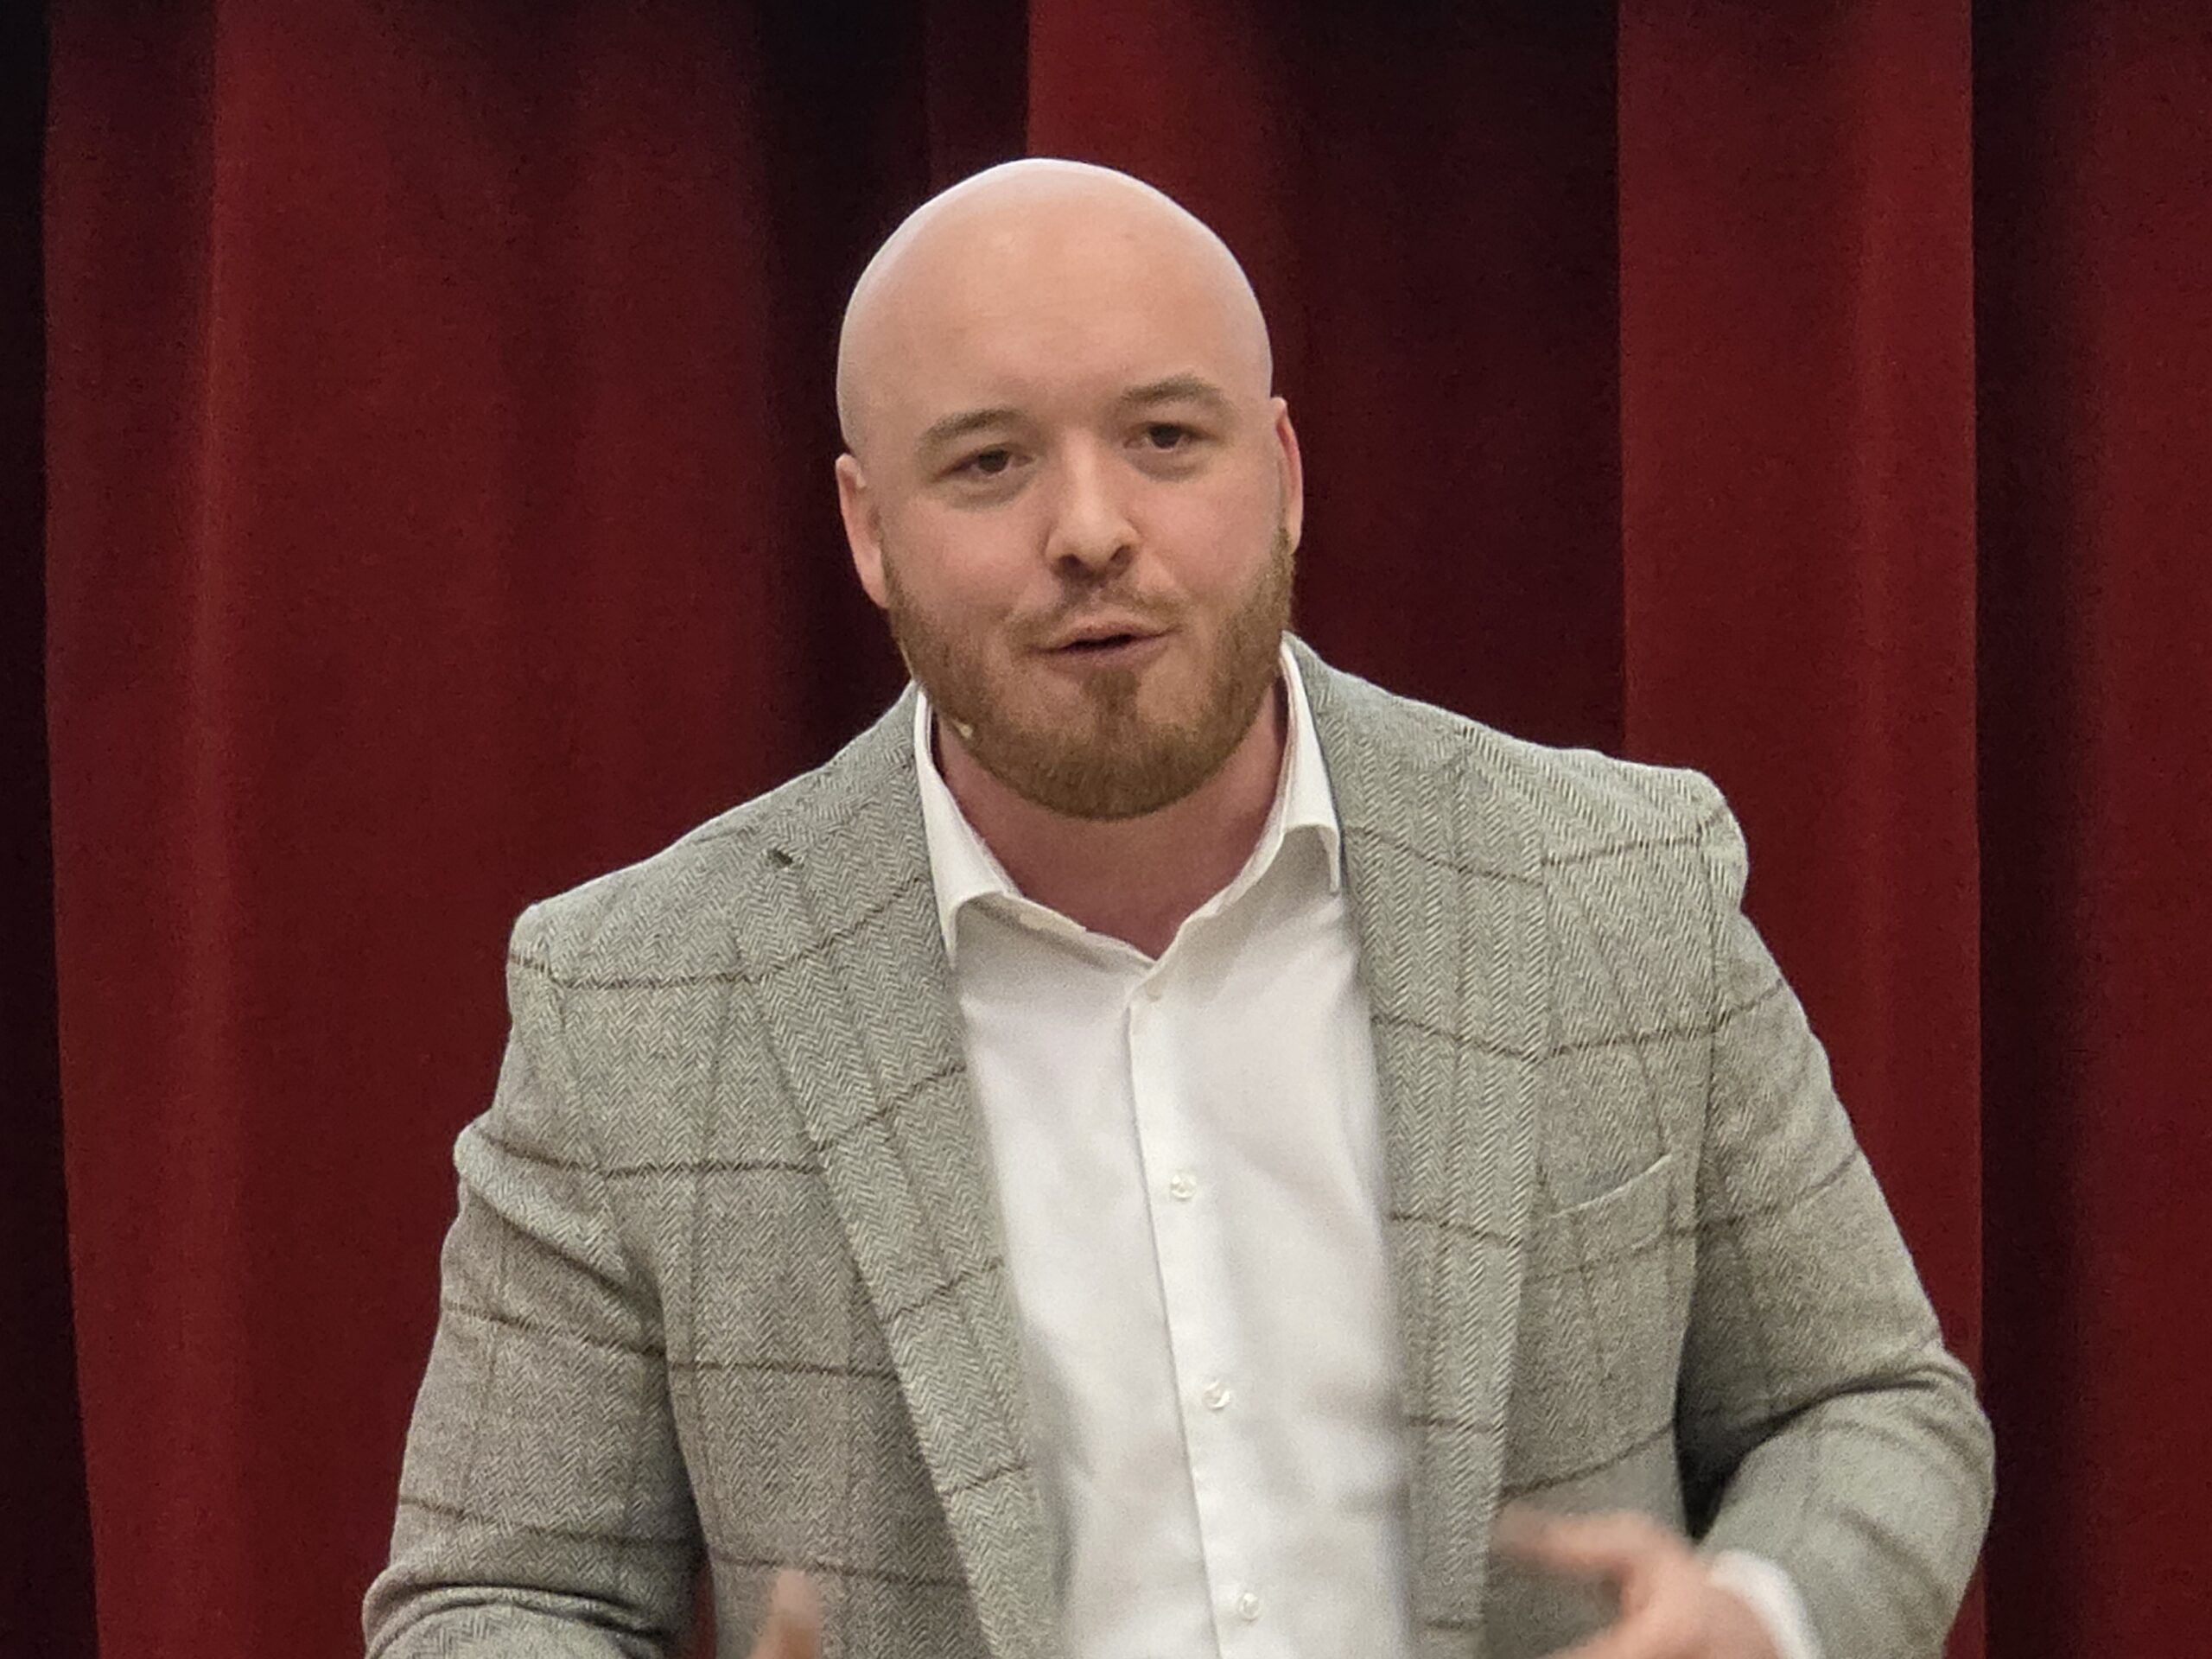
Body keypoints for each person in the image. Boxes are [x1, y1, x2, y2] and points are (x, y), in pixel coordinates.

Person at [364, 159, 1993, 1659]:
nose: (1092, 530)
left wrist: (1763, 1621)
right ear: (867, 528)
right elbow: (494, 1600)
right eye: (989, 462)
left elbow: (1866, 1404)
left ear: (1279, 473)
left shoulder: (1613, 883)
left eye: (1164, 438)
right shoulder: (634, 1002)